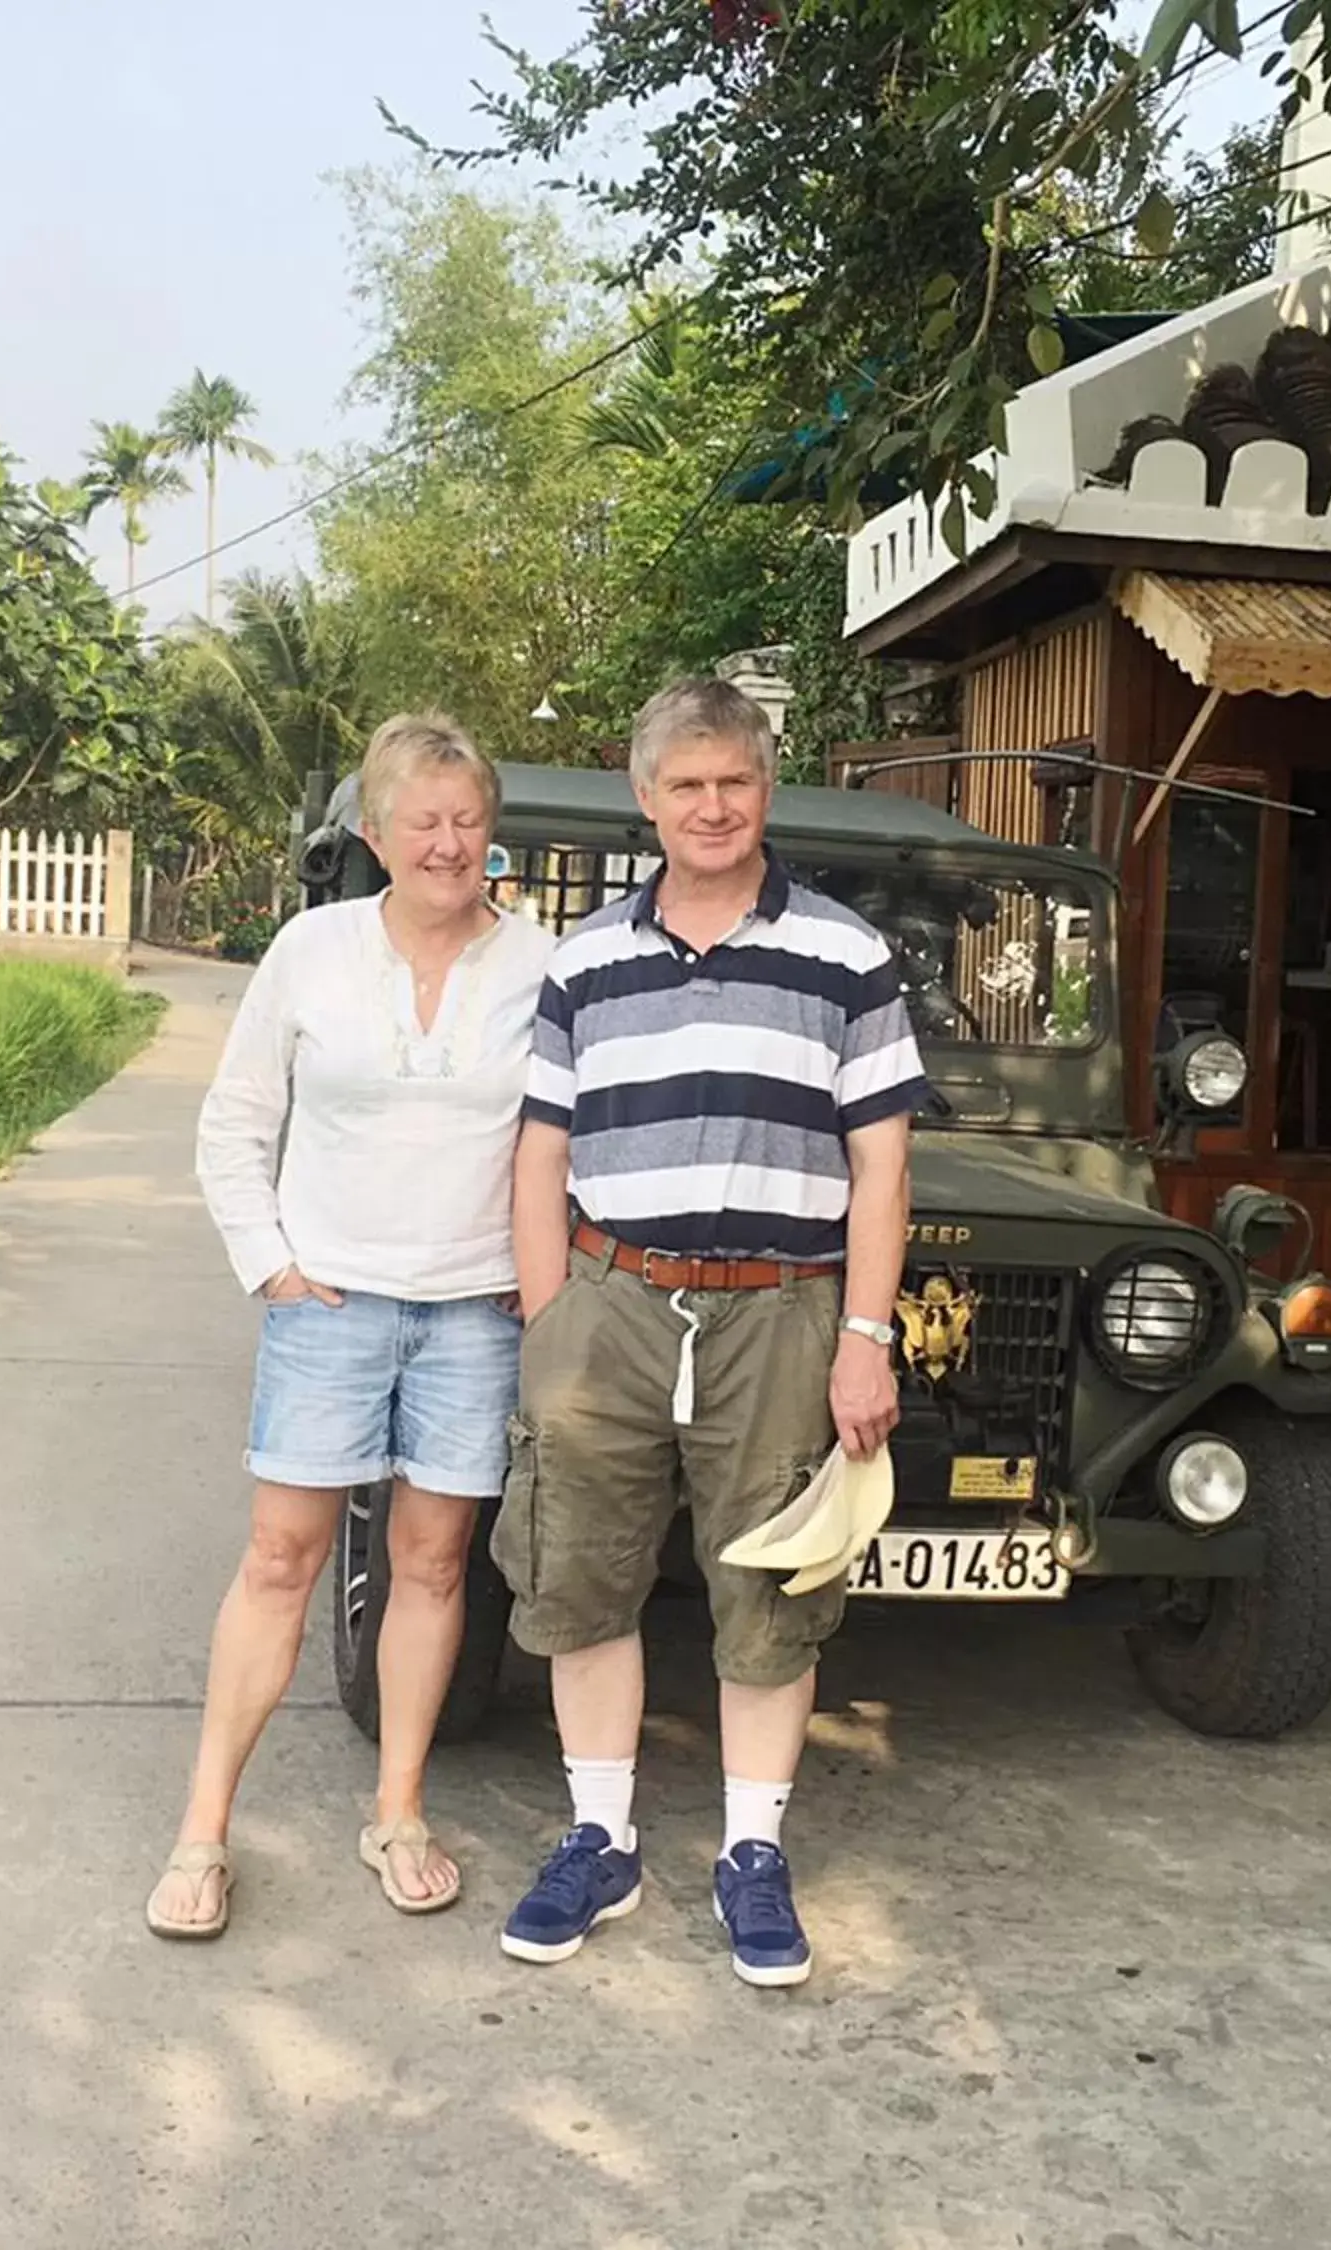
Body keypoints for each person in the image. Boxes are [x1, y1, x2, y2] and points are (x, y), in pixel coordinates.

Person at [495, 677, 928, 1988]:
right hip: (609, 1305)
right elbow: (538, 1153)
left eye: (733, 781)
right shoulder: (585, 962)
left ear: (766, 787)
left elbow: (884, 1170)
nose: (712, 806)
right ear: (646, 799)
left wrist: (865, 1333)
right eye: (684, 785)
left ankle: (751, 1850)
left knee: (771, 1587)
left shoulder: (846, 956)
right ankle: (600, 1833)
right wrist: (548, 1316)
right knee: (581, 1575)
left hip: (780, 1313)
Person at [152, 713, 554, 1940]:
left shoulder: (540, 966)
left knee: (434, 1568)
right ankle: (202, 1836)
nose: (446, 842)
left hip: (471, 1316)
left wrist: (530, 1278)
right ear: (374, 834)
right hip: (328, 1306)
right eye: (421, 821)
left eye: (467, 820)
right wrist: (270, 1267)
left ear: (493, 835)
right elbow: (235, 1123)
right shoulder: (311, 952)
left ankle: (398, 1812)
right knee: (281, 1561)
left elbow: (568, 1138)